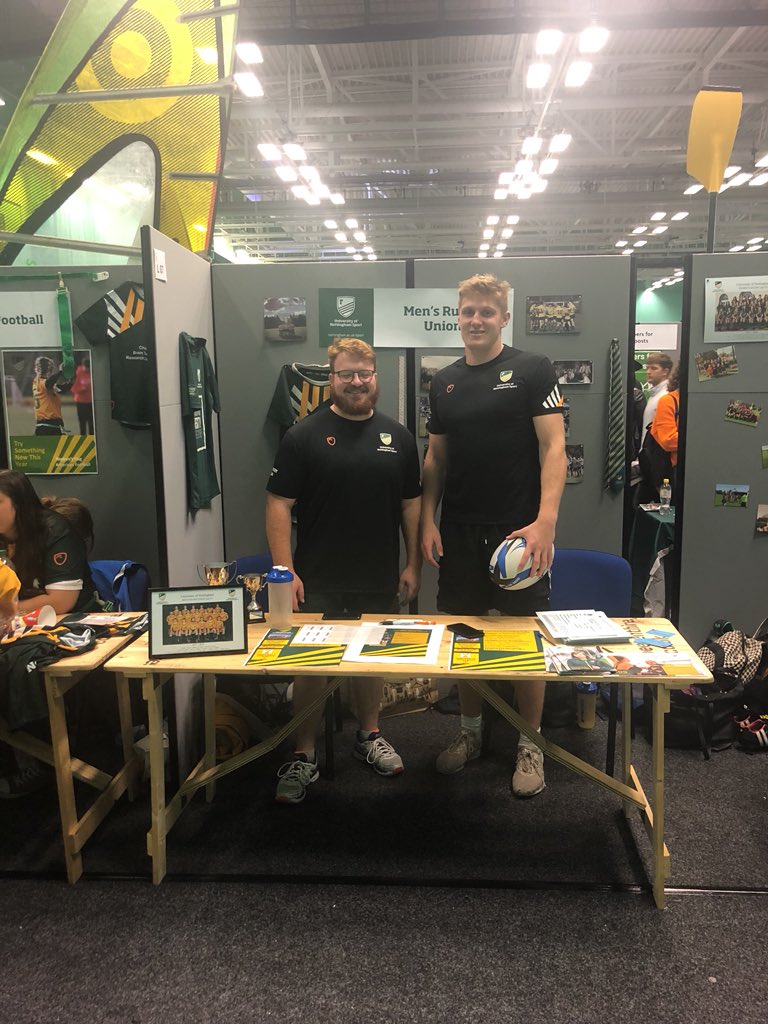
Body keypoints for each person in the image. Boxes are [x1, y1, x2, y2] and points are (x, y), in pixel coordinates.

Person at [420, 274, 567, 798]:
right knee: (466, 635)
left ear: (504, 317)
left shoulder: (533, 368)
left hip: (519, 533)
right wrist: (428, 519)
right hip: (460, 530)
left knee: (526, 639)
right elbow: (436, 457)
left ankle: (530, 742)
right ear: (457, 317)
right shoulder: (443, 381)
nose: (476, 320)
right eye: (468, 312)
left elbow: (554, 448)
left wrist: (546, 521)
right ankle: (470, 733)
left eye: (487, 312)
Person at [265, 337, 422, 804]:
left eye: (364, 373)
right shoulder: (302, 436)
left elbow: (411, 506)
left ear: (375, 377)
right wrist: (285, 570)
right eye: (346, 374)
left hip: (378, 577)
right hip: (318, 578)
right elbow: (278, 504)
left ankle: (369, 735)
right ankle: (304, 752)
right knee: (312, 665)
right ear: (331, 379)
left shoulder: (399, 437)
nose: (356, 381)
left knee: (372, 660)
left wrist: (413, 563)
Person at [0, 470, 95, 616]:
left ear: (18, 503)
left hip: (72, 620)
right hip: (17, 623)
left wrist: (6, 611)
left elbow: (61, 601)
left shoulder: (56, 532)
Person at [650, 360, 680, 498]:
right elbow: (668, 441)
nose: (648, 372)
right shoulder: (668, 401)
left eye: (653, 368)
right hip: (674, 472)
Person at [32, 355, 71, 436]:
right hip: (50, 425)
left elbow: (61, 389)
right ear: (48, 370)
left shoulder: (37, 383)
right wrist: (60, 372)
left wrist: (72, 381)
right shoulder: (42, 382)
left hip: (43, 425)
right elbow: (49, 383)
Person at [640, 352, 672, 438]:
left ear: (665, 371)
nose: (648, 372)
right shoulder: (654, 395)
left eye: (654, 368)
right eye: (647, 368)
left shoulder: (665, 396)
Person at [71, 355, 94, 435]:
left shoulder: (93, 372)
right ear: (83, 365)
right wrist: (81, 389)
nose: (87, 369)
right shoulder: (78, 372)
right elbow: (73, 388)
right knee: (82, 423)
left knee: (91, 423)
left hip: (90, 402)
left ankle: (92, 439)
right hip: (80, 402)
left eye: (88, 367)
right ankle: (83, 438)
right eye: (86, 367)